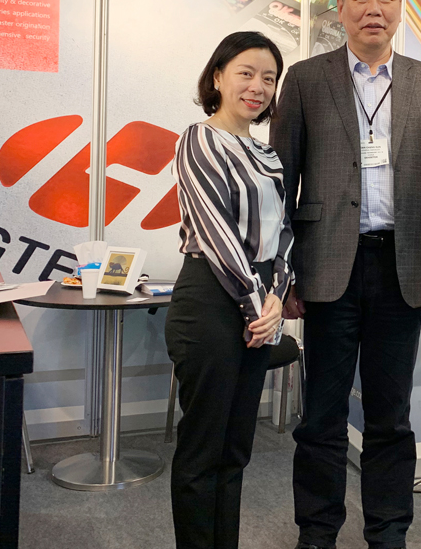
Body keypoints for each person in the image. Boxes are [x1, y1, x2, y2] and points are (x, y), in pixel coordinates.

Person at [270, 0, 421, 549]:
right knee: (321, 414)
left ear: (400, 8)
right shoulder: (305, 79)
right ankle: (317, 533)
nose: (374, 10)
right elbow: (281, 181)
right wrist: (283, 275)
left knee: (391, 415)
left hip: (402, 267)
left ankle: (388, 532)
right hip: (328, 265)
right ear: (340, 7)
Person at [165, 31, 294, 549]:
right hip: (211, 302)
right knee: (203, 449)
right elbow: (216, 233)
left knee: (236, 449)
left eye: (269, 78)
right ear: (218, 77)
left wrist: (277, 295)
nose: (257, 86)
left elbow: (284, 233)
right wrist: (257, 304)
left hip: (257, 304)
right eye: (246, 73)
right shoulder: (199, 139)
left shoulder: (269, 155)